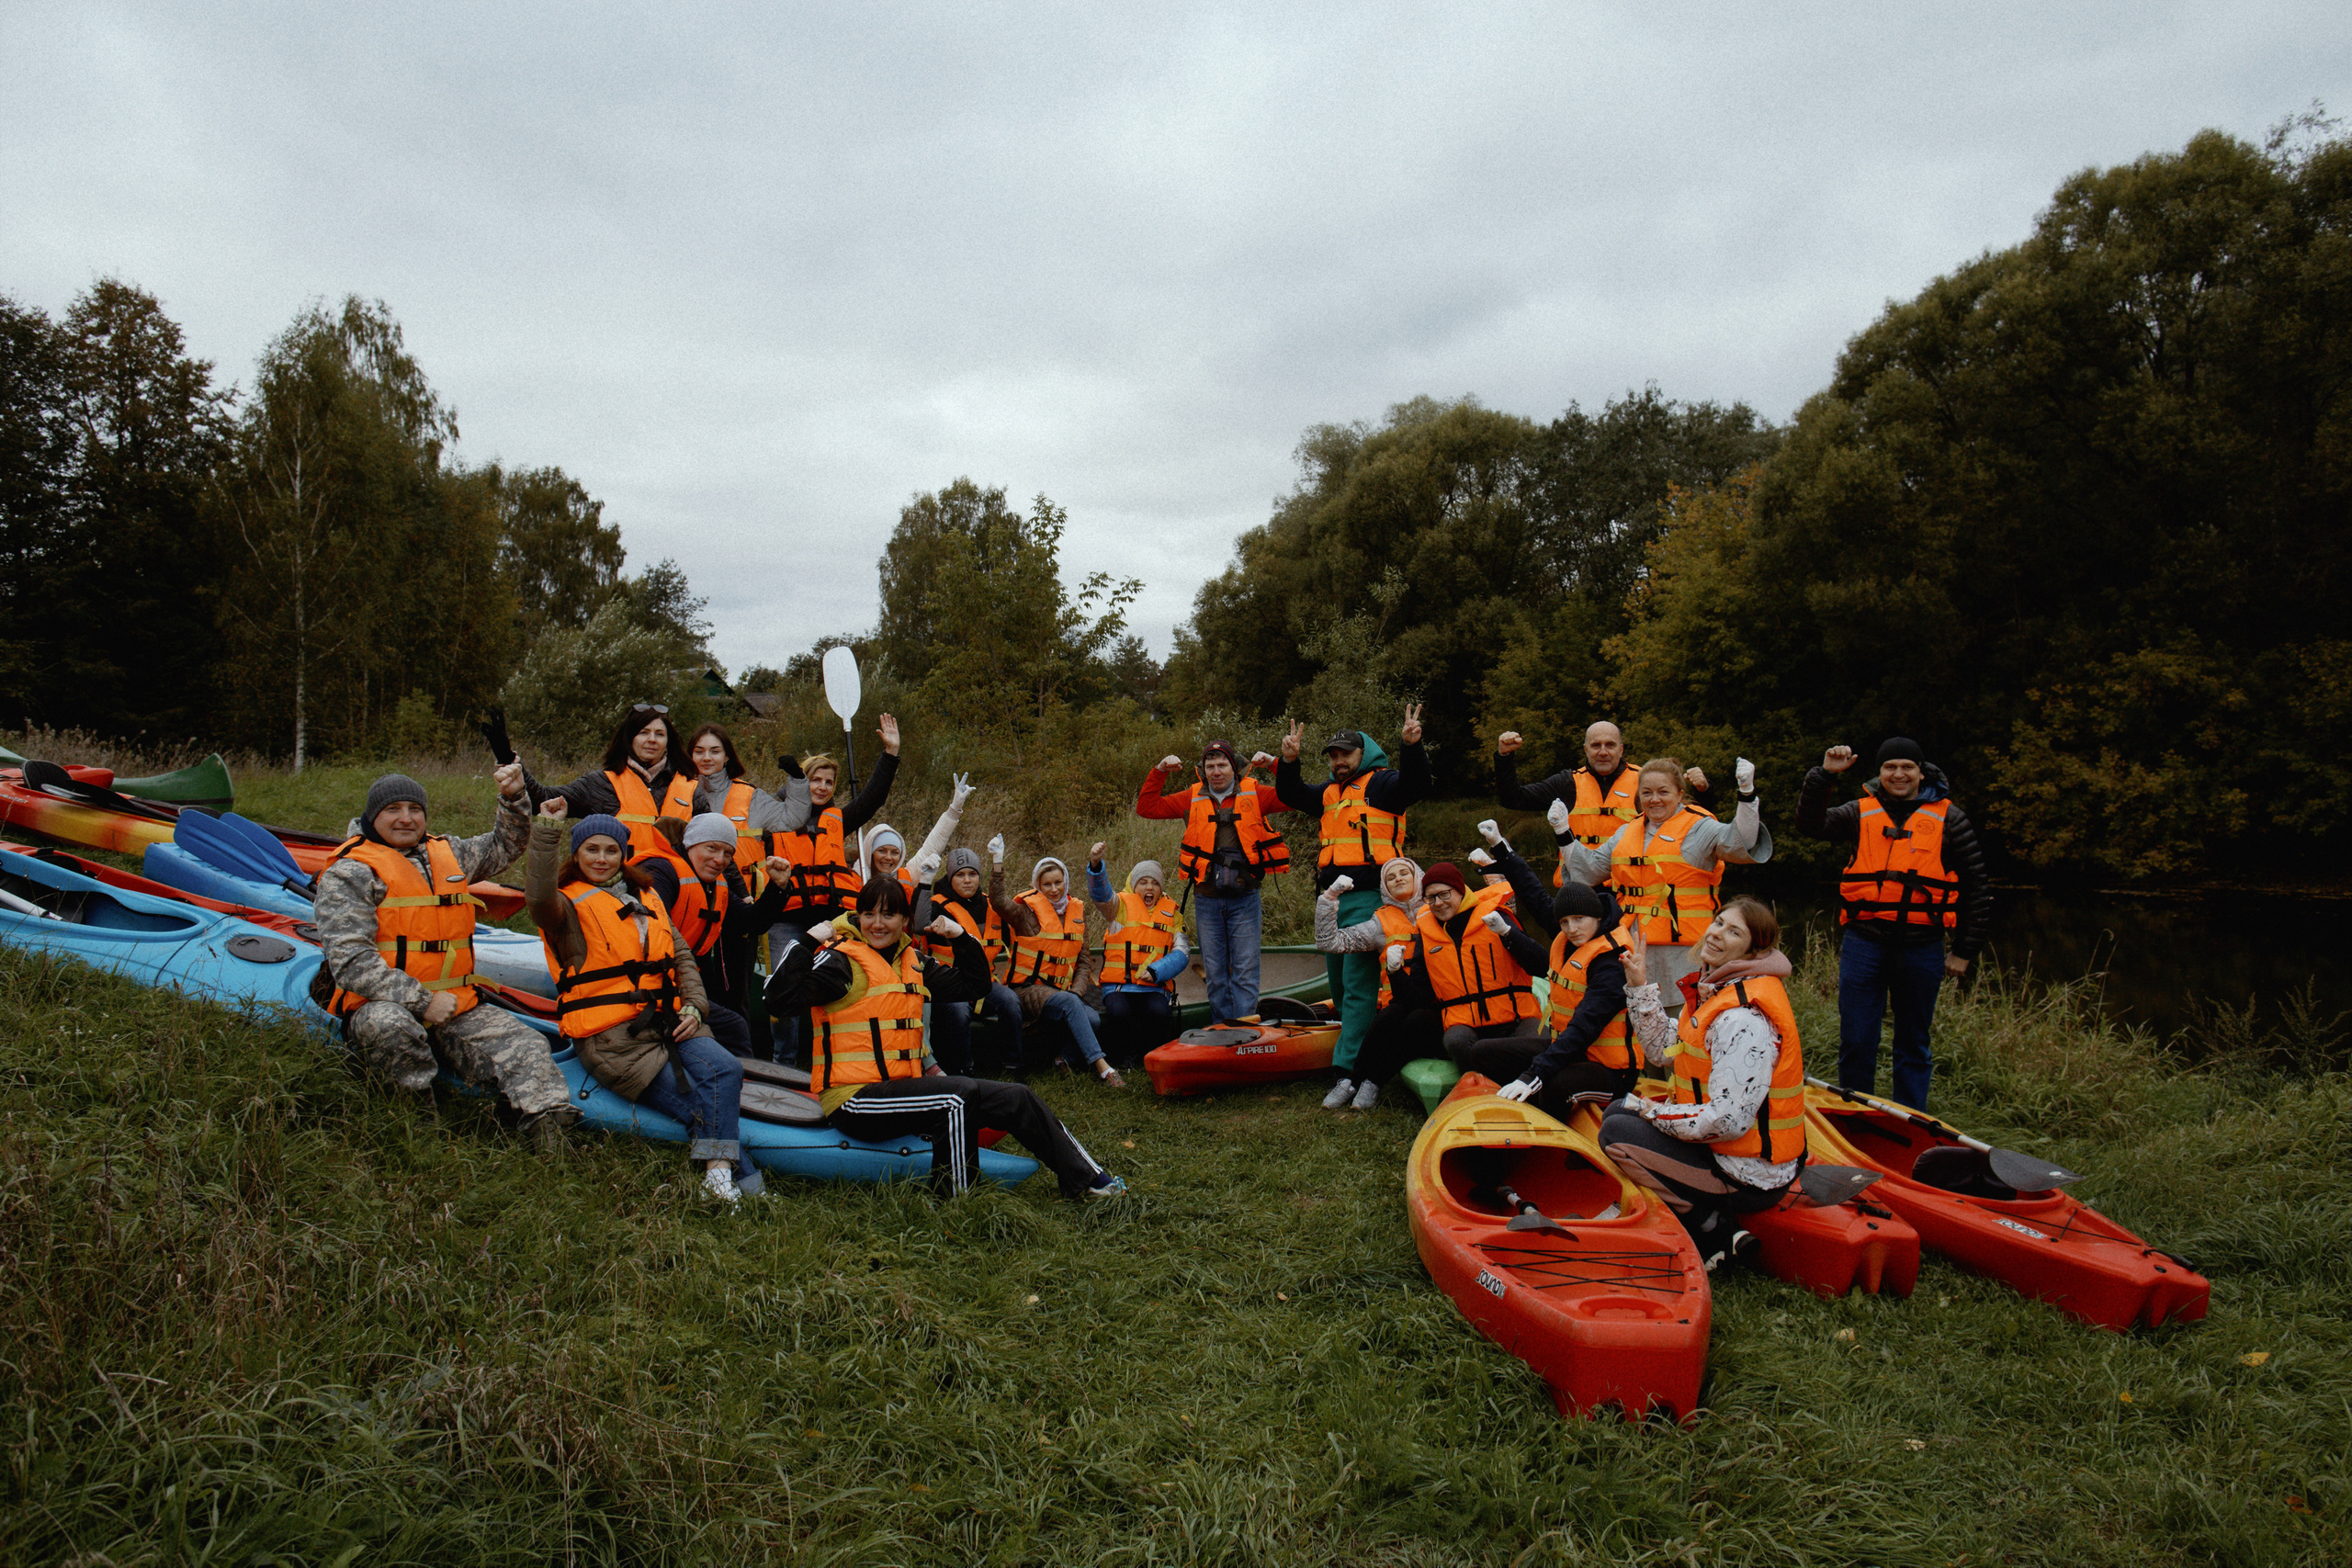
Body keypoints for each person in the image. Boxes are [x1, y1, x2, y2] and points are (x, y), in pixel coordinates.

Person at [765, 878, 1125, 1201]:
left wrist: (961, 938)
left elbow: (975, 985)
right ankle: (956, 1199)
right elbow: (777, 999)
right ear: (858, 918)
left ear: (905, 921)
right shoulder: (839, 962)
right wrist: (804, 941)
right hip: (854, 1101)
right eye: (869, 914)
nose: (878, 924)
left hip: (903, 1089)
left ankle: (1089, 1180)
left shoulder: (912, 960)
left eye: (889, 915)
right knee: (957, 1096)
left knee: (1017, 1096)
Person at [315, 767, 578, 1151]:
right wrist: (423, 1001)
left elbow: (507, 843)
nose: (406, 818)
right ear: (373, 817)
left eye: (414, 808)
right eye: (393, 809)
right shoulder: (350, 872)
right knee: (389, 1027)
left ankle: (551, 1141)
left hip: (458, 1004)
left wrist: (513, 799)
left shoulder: (448, 853)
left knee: (527, 1045)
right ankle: (417, 1134)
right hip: (384, 1005)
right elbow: (351, 962)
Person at [526, 803, 762, 1205]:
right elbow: (538, 896)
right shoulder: (563, 908)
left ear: (623, 855)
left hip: (669, 1021)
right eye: (592, 850)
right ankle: (743, 1186)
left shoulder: (646, 896)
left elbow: (682, 956)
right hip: (613, 1039)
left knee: (725, 1067)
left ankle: (719, 1178)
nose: (601, 859)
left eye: (610, 851)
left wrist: (694, 1006)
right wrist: (547, 831)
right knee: (695, 1106)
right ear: (577, 854)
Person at [1598, 897, 1804, 1271]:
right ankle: (1718, 1228)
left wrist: (1652, 1112)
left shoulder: (1743, 1018)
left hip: (1748, 1175)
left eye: (1734, 931)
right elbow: (1663, 1050)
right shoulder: (1717, 991)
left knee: (1616, 1131)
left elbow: (1727, 1120)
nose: (1717, 933)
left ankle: (1711, 1230)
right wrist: (1640, 986)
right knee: (1617, 1113)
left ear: (1754, 949)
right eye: (1719, 922)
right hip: (1726, 1152)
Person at [1795, 737, 1993, 1110]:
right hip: (1865, 941)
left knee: (1913, 1040)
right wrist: (1824, 776)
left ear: (1921, 772)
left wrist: (1964, 951)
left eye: (1907, 767)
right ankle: (1855, 1110)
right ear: (1879, 772)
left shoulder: (1950, 818)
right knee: (1856, 1037)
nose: (1898, 774)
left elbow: (1976, 888)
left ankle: (1910, 1116)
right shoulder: (1859, 812)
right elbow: (1810, 825)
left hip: (1923, 944)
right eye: (1890, 767)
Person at [1274, 705, 1431, 1081]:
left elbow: (1417, 785)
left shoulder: (1382, 784)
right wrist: (1289, 760)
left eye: (1346, 754)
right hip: (1334, 899)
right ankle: (1356, 1045)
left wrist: (1411, 746)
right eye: (1333, 755)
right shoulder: (1330, 792)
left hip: (1369, 898)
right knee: (1340, 984)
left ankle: (1349, 1068)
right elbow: (1291, 793)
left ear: (1364, 754)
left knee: (1360, 985)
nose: (1339, 761)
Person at [1457, 821, 1637, 1119]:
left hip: (1609, 1070)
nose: (1571, 928)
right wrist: (1501, 848)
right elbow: (1534, 894)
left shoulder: (1612, 962)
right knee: (1482, 1052)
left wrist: (1533, 1074)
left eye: (1579, 919)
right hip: (1567, 1049)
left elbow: (1583, 1028)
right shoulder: (1570, 935)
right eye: (1565, 922)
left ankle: (1553, 1137)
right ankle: (1508, 1107)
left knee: (1553, 1083)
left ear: (1596, 916)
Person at [1568, 755, 1770, 1009]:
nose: (1654, 799)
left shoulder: (1700, 828)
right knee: (1639, 1025)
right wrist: (1563, 833)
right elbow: (1587, 871)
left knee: (1680, 1030)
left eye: (1663, 792)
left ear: (1679, 793)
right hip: (1633, 949)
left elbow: (1741, 845)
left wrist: (1747, 794)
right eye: (1647, 793)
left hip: (1684, 955)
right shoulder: (1626, 831)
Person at [766, 713, 901, 1064]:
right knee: (784, 985)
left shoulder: (838, 820)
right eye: (815, 779)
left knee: (828, 986)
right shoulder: (774, 818)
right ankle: (784, 1063)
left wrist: (891, 754)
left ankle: (824, 1059)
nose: (823, 787)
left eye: (829, 781)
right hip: (786, 917)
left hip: (829, 918)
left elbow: (873, 798)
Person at [1135, 740, 1291, 1022]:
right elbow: (1146, 807)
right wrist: (1160, 771)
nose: (1216, 772)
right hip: (1207, 898)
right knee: (1216, 974)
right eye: (1210, 766)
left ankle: (1244, 1032)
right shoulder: (1192, 797)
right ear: (1203, 770)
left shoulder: (1255, 794)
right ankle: (1223, 1030)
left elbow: (1294, 796)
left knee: (1245, 971)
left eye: (1222, 765)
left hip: (1245, 898)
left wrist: (1276, 764)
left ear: (1235, 767)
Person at [680, 723, 810, 1055]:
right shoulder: (674, 789)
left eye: (714, 751)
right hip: (683, 899)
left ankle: (737, 1057)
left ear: (727, 756)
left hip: (736, 901)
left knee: (734, 986)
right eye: (698, 751)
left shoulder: (749, 796)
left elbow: (792, 817)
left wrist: (797, 780)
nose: (706, 758)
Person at [631, 812, 796, 1057]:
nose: (720, 859)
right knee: (732, 1027)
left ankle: (741, 1086)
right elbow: (650, 930)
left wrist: (778, 888)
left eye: (728, 853)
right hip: (646, 981)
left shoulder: (716, 885)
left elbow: (751, 922)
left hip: (682, 979)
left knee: (734, 1024)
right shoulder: (660, 870)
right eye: (712, 848)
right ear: (691, 843)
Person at [1496, 722, 1711, 888]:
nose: (1603, 752)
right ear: (1586, 750)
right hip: (1577, 888)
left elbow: (1685, 819)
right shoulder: (1567, 782)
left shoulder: (1644, 782)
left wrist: (1704, 791)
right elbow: (1514, 799)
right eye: (1596, 745)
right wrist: (1504, 757)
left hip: (1626, 888)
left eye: (1610, 745)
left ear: (1621, 749)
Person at [1402, 861, 1546, 1066]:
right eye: (1431, 897)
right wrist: (1395, 973)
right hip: (1465, 1024)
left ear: (1460, 891)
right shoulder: (1426, 933)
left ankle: (1522, 1082)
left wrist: (1507, 933)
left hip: (1517, 1017)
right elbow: (1420, 989)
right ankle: (1482, 1082)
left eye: (1444, 894)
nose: (1438, 903)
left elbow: (1540, 965)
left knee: (1538, 1041)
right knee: (1455, 1042)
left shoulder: (1498, 916)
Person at [1312, 856, 1429, 1110]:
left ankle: (1371, 1081)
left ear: (1418, 877)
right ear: (1384, 888)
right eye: (1390, 877)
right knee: (1389, 1019)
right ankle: (1355, 1081)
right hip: (1401, 1002)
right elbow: (1329, 943)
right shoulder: (1379, 924)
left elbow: (1492, 905)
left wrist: (1491, 868)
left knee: (1414, 1021)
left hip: (1436, 1004)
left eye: (1404, 873)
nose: (1398, 878)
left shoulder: (1440, 909)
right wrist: (1330, 897)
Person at [1004, 855, 1123, 1087]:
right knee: (1071, 1005)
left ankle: (1064, 1059)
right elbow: (999, 901)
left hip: (1063, 993)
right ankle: (1103, 1067)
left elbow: (1084, 961)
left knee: (1092, 1019)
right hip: (1028, 990)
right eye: (1046, 884)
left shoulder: (1076, 911)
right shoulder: (1025, 912)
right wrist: (998, 863)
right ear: (1037, 886)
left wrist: (1077, 993)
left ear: (1065, 882)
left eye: (1058, 883)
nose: (1054, 889)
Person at [531, 703, 698, 863]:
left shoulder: (691, 788)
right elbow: (544, 799)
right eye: (643, 733)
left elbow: (711, 846)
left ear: (668, 742)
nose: (652, 739)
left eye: (660, 734)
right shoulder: (600, 784)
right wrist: (512, 764)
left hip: (674, 888)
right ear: (629, 739)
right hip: (618, 888)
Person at [923, 843, 1031, 1076]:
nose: (967, 880)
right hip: (947, 984)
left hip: (983, 982)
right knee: (959, 1011)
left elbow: (1020, 932)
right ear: (950, 877)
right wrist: (923, 882)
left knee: (1011, 1002)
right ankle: (964, 1070)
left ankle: (1014, 1067)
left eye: (972, 874)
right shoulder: (935, 907)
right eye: (960, 875)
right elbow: (918, 925)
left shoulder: (991, 904)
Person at [1086, 847, 1192, 1067]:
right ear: (1134, 885)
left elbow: (1182, 952)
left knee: (1159, 1013)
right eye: (1143, 882)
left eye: (1154, 883)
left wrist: (1157, 971)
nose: (1149, 887)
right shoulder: (1117, 907)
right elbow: (1100, 893)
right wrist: (1096, 867)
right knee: (1119, 1012)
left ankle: (1148, 1055)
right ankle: (1124, 1056)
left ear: (1161, 887)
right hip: (1118, 986)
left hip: (1154, 986)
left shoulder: (1173, 913)